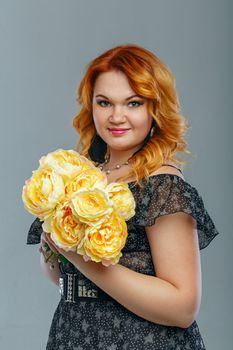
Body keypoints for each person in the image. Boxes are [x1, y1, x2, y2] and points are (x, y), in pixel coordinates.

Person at [27, 44, 219, 349]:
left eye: (133, 103)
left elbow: (183, 308)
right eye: (105, 102)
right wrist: (53, 241)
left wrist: (81, 257)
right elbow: (62, 277)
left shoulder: (162, 185)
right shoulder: (83, 174)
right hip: (74, 333)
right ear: (91, 106)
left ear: (155, 108)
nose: (117, 117)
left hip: (140, 341)